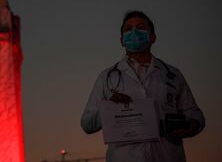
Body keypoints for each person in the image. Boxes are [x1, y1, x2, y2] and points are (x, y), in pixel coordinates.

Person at [81, 11, 205, 162]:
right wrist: (108, 108)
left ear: (153, 37)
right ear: (121, 40)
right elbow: (87, 124)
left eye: (140, 28)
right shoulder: (107, 77)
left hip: (167, 155)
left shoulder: (173, 75)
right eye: (128, 29)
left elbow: (195, 114)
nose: (133, 32)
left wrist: (193, 125)